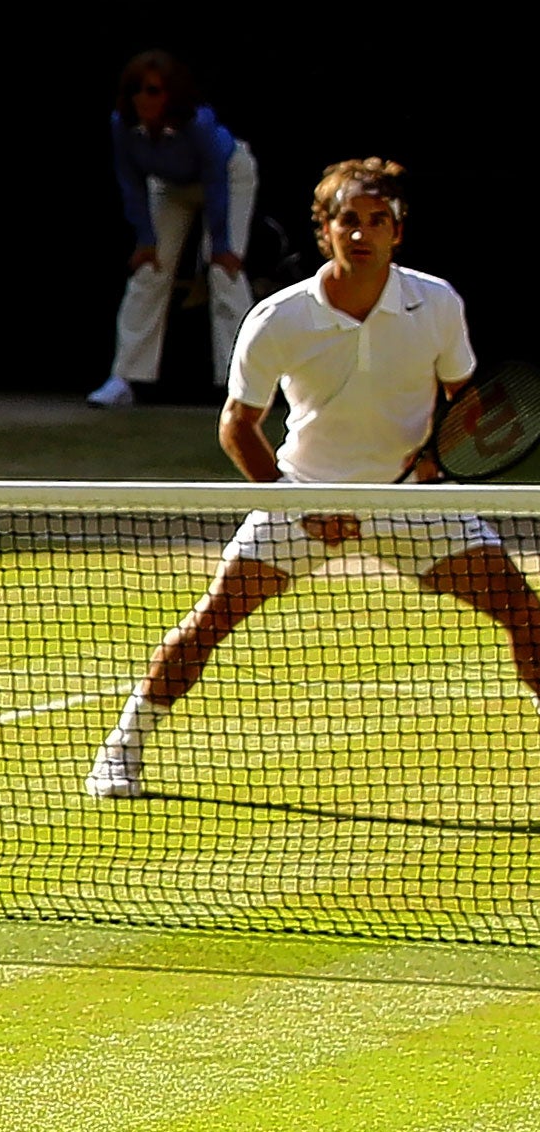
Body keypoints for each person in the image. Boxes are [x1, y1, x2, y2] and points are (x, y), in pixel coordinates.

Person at [86, 157, 540, 799]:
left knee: (525, 610)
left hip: (412, 501)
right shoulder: (278, 318)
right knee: (212, 620)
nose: (363, 233)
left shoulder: (437, 303)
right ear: (324, 231)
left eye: (378, 221)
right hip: (305, 492)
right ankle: (120, 752)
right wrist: (298, 506)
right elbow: (237, 428)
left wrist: (440, 454)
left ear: (397, 232)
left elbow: (466, 402)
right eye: (348, 220)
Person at [87, 51, 258, 408]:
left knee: (224, 273)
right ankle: (125, 379)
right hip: (169, 185)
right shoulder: (122, 124)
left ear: (170, 94)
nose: (142, 99)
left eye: (152, 90)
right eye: (136, 90)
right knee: (150, 271)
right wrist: (146, 240)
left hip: (227, 177)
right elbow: (129, 181)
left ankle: (241, 385)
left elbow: (215, 183)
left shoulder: (198, 125)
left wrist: (223, 246)